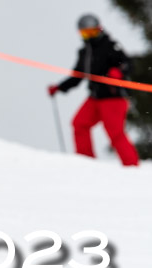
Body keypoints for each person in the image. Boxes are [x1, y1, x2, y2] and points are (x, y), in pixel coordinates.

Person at [47, 13, 139, 166]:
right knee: (80, 124)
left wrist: (118, 71)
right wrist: (59, 87)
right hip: (95, 98)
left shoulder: (110, 45)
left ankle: (132, 166)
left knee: (115, 133)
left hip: (113, 97)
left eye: (92, 32)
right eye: (85, 33)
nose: (89, 36)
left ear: (99, 29)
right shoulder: (84, 53)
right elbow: (77, 76)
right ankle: (86, 162)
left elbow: (127, 63)